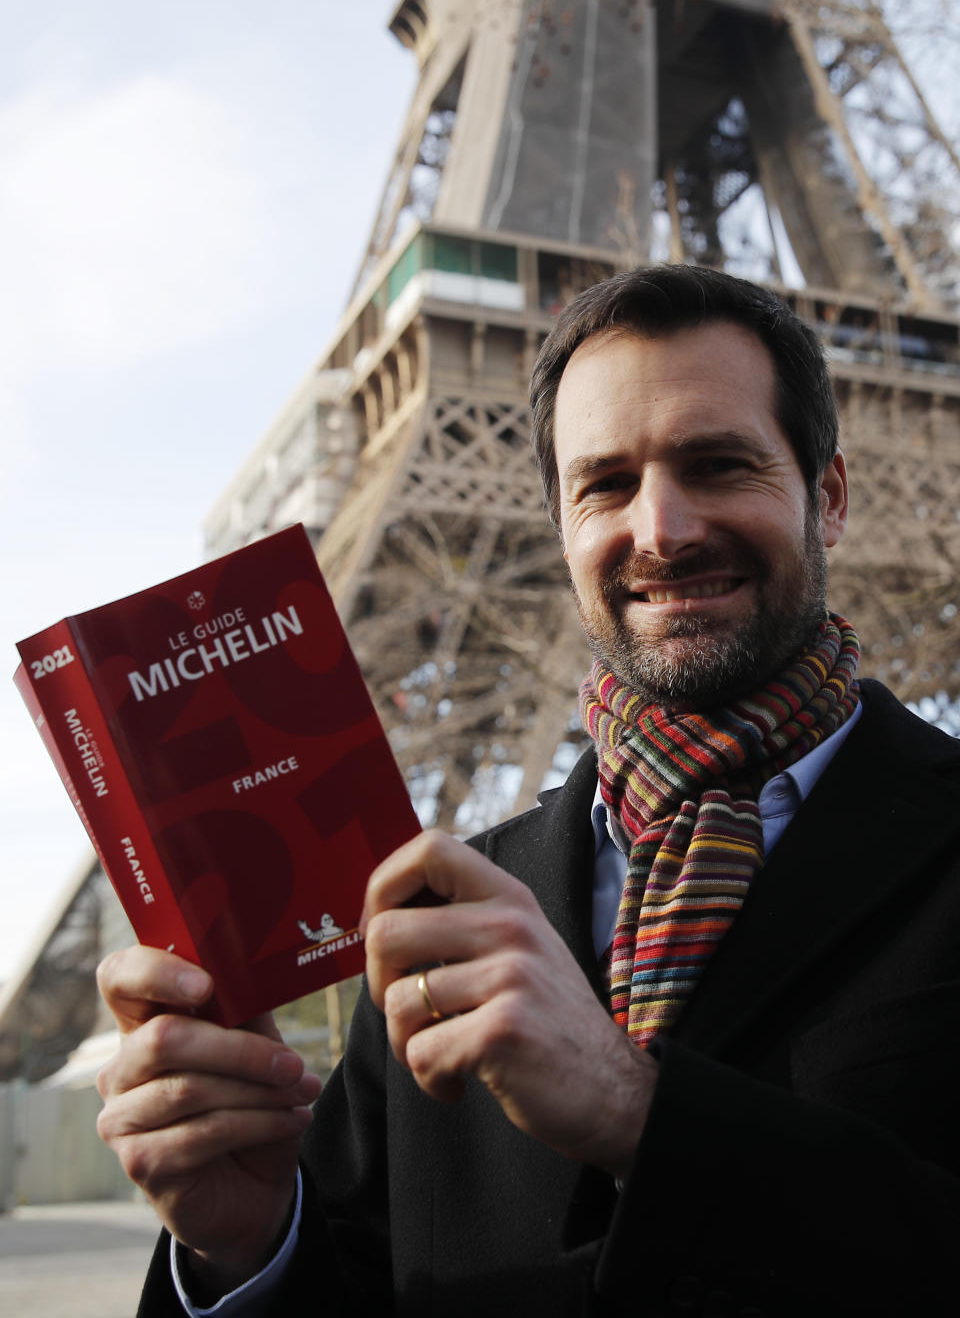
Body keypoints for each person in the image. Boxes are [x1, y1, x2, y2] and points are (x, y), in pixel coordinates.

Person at [97, 265, 960, 1317]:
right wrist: (248, 1250)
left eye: (718, 463)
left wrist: (636, 1110)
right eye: (606, 484)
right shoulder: (437, 913)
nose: (663, 529)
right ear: (558, 524)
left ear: (827, 496)